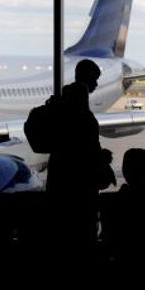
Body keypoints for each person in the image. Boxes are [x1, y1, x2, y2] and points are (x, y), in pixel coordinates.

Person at [46, 59, 112, 245]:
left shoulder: (60, 105)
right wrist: (102, 158)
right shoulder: (82, 115)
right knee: (82, 233)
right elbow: (84, 152)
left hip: (58, 180)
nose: (96, 85)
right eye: (95, 79)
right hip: (79, 188)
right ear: (88, 78)